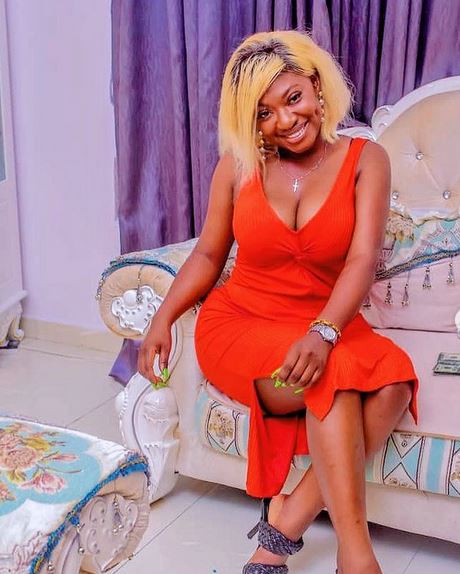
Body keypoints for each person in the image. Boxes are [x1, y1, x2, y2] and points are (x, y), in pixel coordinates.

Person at [138, 30, 418, 574]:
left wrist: (324, 331)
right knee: (334, 379)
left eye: (293, 98)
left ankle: (284, 525)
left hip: (326, 321)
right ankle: (357, 558)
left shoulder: (367, 159)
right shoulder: (238, 166)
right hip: (242, 323)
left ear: (316, 86)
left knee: (393, 384)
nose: (285, 121)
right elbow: (208, 254)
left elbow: (362, 261)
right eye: (264, 114)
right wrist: (162, 318)